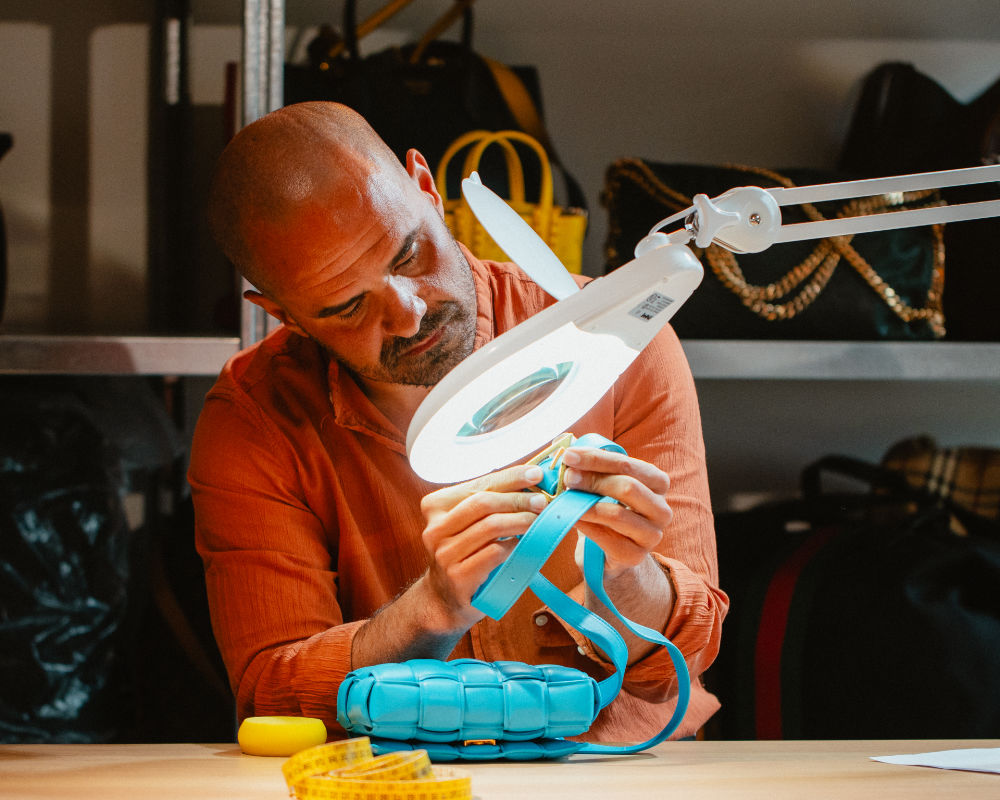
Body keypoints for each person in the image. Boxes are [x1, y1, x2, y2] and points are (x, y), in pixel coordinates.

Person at [189, 101, 728, 743]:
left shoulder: (617, 341)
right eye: (347, 307)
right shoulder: (254, 420)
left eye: (408, 255)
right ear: (283, 314)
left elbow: (688, 658)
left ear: (427, 188)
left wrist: (624, 577)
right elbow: (273, 698)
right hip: (406, 783)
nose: (408, 314)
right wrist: (432, 609)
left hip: (627, 771)